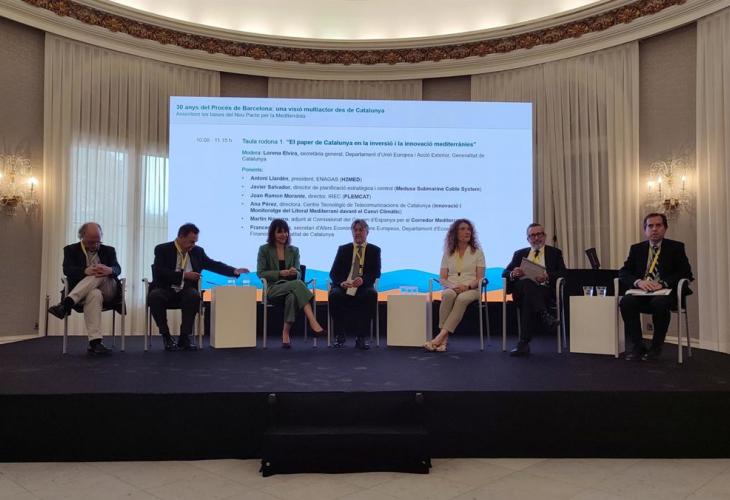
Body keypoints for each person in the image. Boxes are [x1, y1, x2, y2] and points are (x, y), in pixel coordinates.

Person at [149, 223, 248, 351]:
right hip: (165, 287)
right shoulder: (162, 249)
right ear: (181, 237)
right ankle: (166, 336)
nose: (193, 245)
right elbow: (160, 272)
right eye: (191, 241)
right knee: (155, 296)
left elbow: (213, 264)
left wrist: (233, 271)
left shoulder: (197, 251)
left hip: (186, 289)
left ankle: (184, 337)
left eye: (195, 241)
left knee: (194, 296)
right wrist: (184, 275)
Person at [618, 213, 693, 361]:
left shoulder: (676, 248)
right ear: (645, 230)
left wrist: (662, 283)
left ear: (665, 228)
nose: (654, 229)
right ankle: (638, 347)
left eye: (658, 225)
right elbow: (624, 272)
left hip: (666, 293)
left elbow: (686, 273)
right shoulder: (636, 249)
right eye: (650, 226)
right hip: (642, 292)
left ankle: (655, 348)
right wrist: (639, 282)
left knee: (660, 302)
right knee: (626, 302)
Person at [47, 222, 121, 356]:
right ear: (82, 236)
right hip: (85, 294)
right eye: (91, 242)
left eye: (98, 241)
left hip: (108, 289)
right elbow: (67, 270)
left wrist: (109, 270)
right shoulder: (70, 250)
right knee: (95, 293)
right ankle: (95, 343)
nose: (95, 245)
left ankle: (66, 303)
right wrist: (85, 271)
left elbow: (117, 268)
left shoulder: (109, 250)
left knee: (99, 272)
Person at [257, 219, 326, 347]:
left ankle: (285, 333)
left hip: (291, 288)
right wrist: (280, 273)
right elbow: (261, 273)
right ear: (272, 234)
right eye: (280, 232)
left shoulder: (294, 250)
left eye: (286, 232)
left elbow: (299, 272)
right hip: (273, 289)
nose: (284, 235)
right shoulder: (264, 250)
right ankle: (313, 322)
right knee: (299, 284)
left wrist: (294, 273)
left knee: (292, 297)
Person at [503, 223, 565, 356]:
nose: (536, 238)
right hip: (521, 290)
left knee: (528, 299)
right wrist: (513, 273)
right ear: (528, 239)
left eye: (539, 234)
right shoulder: (519, 254)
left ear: (545, 236)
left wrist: (547, 276)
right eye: (532, 235)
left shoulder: (555, 253)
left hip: (544, 291)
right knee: (526, 283)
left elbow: (563, 273)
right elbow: (505, 273)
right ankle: (545, 315)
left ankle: (523, 343)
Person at [424, 219, 485, 353]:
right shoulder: (448, 253)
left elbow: (480, 278)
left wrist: (467, 287)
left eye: (469, 229)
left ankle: (439, 338)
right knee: (447, 294)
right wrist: (453, 286)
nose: (467, 232)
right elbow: (442, 278)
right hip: (452, 287)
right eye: (463, 229)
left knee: (462, 299)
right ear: (455, 233)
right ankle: (443, 341)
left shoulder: (478, 253)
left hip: (472, 289)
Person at [328, 219, 382, 350]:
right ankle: (340, 335)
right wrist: (341, 282)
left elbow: (376, 272)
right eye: (355, 230)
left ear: (367, 232)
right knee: (334, 295)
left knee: (371, 294)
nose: (357, 233)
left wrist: (363, 280)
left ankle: (361, 337)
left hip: (363, 287)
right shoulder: (343, 249)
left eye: (360, 230)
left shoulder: (374, 250)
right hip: (344, 286)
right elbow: (333, 273)